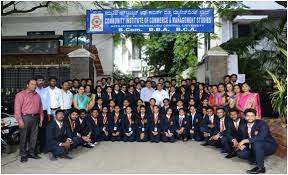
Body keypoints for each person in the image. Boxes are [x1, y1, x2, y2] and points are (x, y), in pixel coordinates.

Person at [235, 109, 277, 174]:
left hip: (268, 145)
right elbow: (239, 136)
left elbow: (261, 137)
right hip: (252, 146)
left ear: (255, 116)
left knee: (257, 142)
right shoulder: (242, 125)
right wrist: (239, 144)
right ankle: (257, 156)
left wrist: (244, 141)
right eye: (248, 116)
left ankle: (260, 168)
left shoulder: (262, 123)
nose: (250, 118)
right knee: (241, 154)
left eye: (252, 116)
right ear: (245, 117)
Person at [14, 79, 44, 162]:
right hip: (25, 118)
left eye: (35, 84)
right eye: (32, 84)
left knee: (34, 137)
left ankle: (31, 153)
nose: (34, 86)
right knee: (24, 137)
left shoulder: (37, 95)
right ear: (27, 85)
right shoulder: (20, 95)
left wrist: (41, 119)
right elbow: (17, 110)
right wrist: (20, 121)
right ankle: (23, 154)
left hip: (36, 118)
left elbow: (40, 108)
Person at [35, 75, 51, 153]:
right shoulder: (34, 91)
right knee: (35, 131)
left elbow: (48, 103)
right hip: (35, 113)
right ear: (35, 81)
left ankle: (43, 148)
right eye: (39, 80)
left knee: (44, 131)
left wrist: (48, 114)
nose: (41, 82)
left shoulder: (46, 91)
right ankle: (34, 149)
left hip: (44, 113)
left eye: (42, 80)